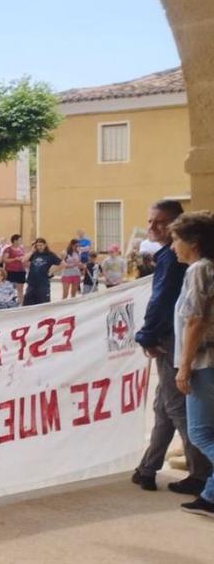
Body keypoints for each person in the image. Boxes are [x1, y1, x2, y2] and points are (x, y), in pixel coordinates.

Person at [133, 200, 212, 495]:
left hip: (172, 344)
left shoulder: (185, 265)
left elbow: (175, 308)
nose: (153, 227)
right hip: (173, 342)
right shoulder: (172, 258)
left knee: (179, 409)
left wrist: (147, 335)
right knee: (164, 406)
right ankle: (148, 467)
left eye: (161, 223)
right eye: (150, 221)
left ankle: (202, 474)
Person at [170, 211, 214, 517]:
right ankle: (211, 496)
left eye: (176, 240)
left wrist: (184, 367)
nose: (173, 246)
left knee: (200, 433)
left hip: (203, 362)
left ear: (193, 243)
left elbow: (196, 320)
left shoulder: (199, 270)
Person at [22, 238, 61, 306]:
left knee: (43, 305)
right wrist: (32, 251)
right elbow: (23, 260)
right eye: (38, 245)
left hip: (43, 284)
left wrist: (51, 272)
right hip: (32, 284)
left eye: (41, 245)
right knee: (27, 304)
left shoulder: (50, 255)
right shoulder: (34, 254)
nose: (39, 247)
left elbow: (63, 264)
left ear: (45, 245)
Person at [2, 234, 28, 304]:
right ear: (15, 240)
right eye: (20, 240)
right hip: (11, 271)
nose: (21, 241)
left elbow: (25, 257)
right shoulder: (8, 249)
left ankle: (21, 302)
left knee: (20, 289)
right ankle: (9, 302)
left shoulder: (22, 249)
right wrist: (14, 259)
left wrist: (24, 260)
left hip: (20, 270)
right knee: (10, 288)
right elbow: (5, 259)